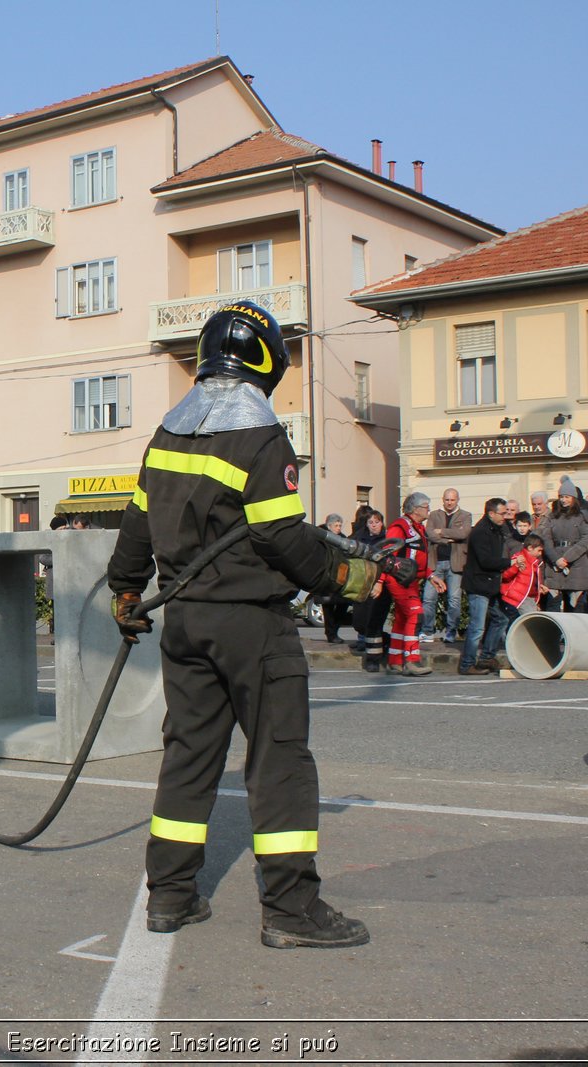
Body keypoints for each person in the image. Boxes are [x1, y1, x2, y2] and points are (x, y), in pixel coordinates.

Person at [107, 301, 378, 949]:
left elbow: (138, 521)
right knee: (279, 759)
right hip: (252, 624)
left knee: (190, 756)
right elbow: (283, 536)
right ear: (266, 363)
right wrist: (344, 577)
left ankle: (170, 895)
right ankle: (290, 909)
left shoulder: (167, 434)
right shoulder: (261, 436)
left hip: (185, 623)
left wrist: (124, 589)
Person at [458, 498, 519, 675]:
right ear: (491, 514)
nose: (505, 516)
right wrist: (509, 562)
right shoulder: (480, 532)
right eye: (502, 513)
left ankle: (486, 657)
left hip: (491, 584)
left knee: (501, 618)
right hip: (479, 584)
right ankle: (467, 664)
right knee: (477, 626)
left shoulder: (498, 529)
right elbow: (485, 561)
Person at [384, 492, 438, 675]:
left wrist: (430, 576)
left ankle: (395, 660)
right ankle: (412, 660)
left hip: (410, 580)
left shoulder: (418, 527)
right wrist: (380, 580)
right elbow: (385, 554)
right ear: (415, 509)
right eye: (426, 507)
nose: (428, 510)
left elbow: (419, 559)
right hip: (399, 579)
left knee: (402, 618)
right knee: (416, 615)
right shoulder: (399, 526)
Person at [420, 489, 470, 645]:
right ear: (443, 500)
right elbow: (429, 533)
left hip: (455, 563)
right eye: (447, 499)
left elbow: (463, 534)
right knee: (428, 598)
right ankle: (427, 631)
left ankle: (451, 631)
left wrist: (441, 532)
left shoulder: (465, 515)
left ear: (457, 500)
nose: (449, 502)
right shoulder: (434, 515)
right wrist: (447, 539)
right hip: (435, 562)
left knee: (454, 600)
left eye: (452, 500)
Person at [539, 478, 588, 612]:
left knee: (576, 608)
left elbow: (585, 540)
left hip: (576, 566)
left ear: (573, 498)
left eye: (567, 497)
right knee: (553, 607)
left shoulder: (582, 517)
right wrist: (556, 559)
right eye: (561, 497)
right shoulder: (552, 516)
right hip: (554, 565)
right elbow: (546, 538)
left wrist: (567, 558)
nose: (563, 500)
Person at [352, 509, 391, 671]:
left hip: (380, 585)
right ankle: (387, 640)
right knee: (360, 622)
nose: (374, 526)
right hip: (363, 583)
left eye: (377, 522)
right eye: (371, 522)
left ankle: (373, 659)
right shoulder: (359, 537)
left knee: (373, 623)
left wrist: (380, 582)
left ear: (382, 523)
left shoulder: (387, 538)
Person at [316, 514, 352, 644]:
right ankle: (331, 633)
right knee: (328, 607)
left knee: (343, 604)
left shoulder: (342, 539)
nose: (338, 528)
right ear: (329, 526)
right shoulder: (321, 537)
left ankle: (334, 631)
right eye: (336, 525)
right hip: (326, 576)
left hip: (340, 576)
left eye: (340, 525)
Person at [501, 534, 547, 615]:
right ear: (530, 548)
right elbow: (505, 576)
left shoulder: (535, 563)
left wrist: (539, 587)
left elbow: (532, 580)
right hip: (519, 597)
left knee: (533, 619)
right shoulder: (519, 558)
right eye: (539, 550)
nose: (540, 553)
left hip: (530, 597)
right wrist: (516, 566)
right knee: (530, 620)